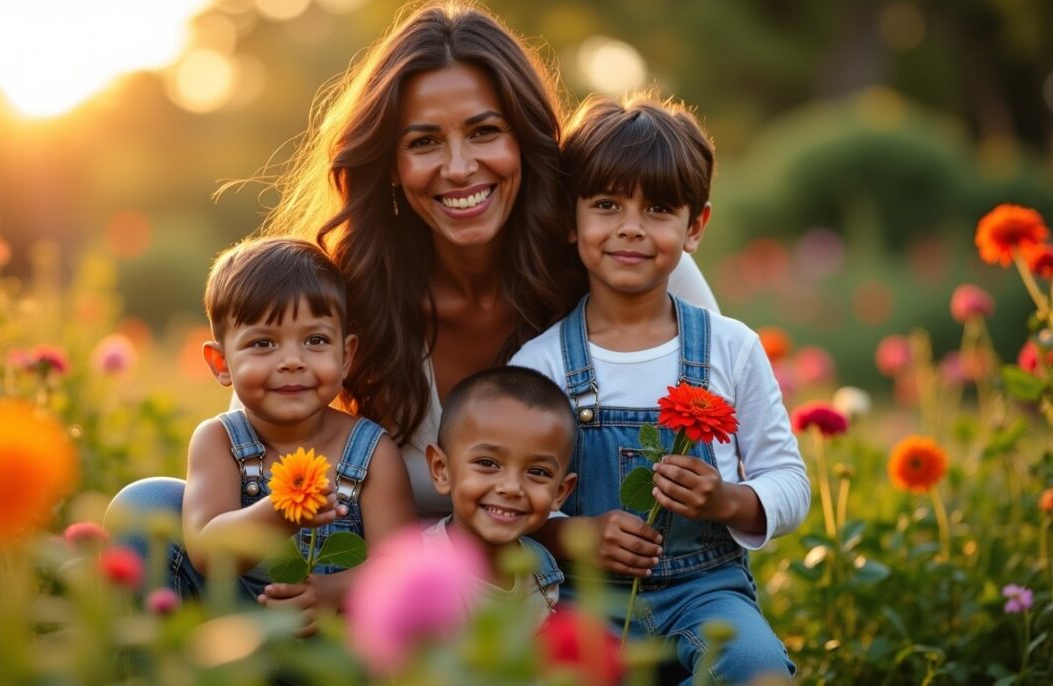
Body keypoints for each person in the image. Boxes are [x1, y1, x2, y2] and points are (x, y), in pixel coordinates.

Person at [255, 0, 720, 521]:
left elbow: (735, 452)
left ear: (526, 139)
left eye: (484, 132)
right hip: (388, 566)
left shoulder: (627, 260)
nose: (459, 168)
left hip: (586, 572)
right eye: (424, 141)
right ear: (389, 164)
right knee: (172, 498)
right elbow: (242, 452)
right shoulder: (344, 288)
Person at [509, 94, 809, 681]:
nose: (630, 227)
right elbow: (512, 498)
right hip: (581, 597)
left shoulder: (731, 347)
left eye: (658, 209)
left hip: (706, 593)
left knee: (755, 665)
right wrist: (573, 535)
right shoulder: (539, 364)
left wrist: (727, 501)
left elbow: (789, 480)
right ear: (570, 220)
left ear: (695, 227)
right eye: (606, 204)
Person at [116, 237, 414, 636]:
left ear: (345, 356)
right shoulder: (220, 441)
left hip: (331, 643)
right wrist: (279, 513)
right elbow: (207, 552)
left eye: (315, 340)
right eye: (263, 343)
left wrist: (336, 590)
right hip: (235, 629)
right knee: (142, 502)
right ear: (221, 363)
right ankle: (163, 658)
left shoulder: (371, 451)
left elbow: (399, 563)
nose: (292, 361)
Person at [422, 365, 578, 623]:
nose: (512, 487)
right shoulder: (418, 573)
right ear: (442, 469)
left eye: (537, 472)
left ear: (559, 493)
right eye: (487, 463)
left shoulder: (541, 568)